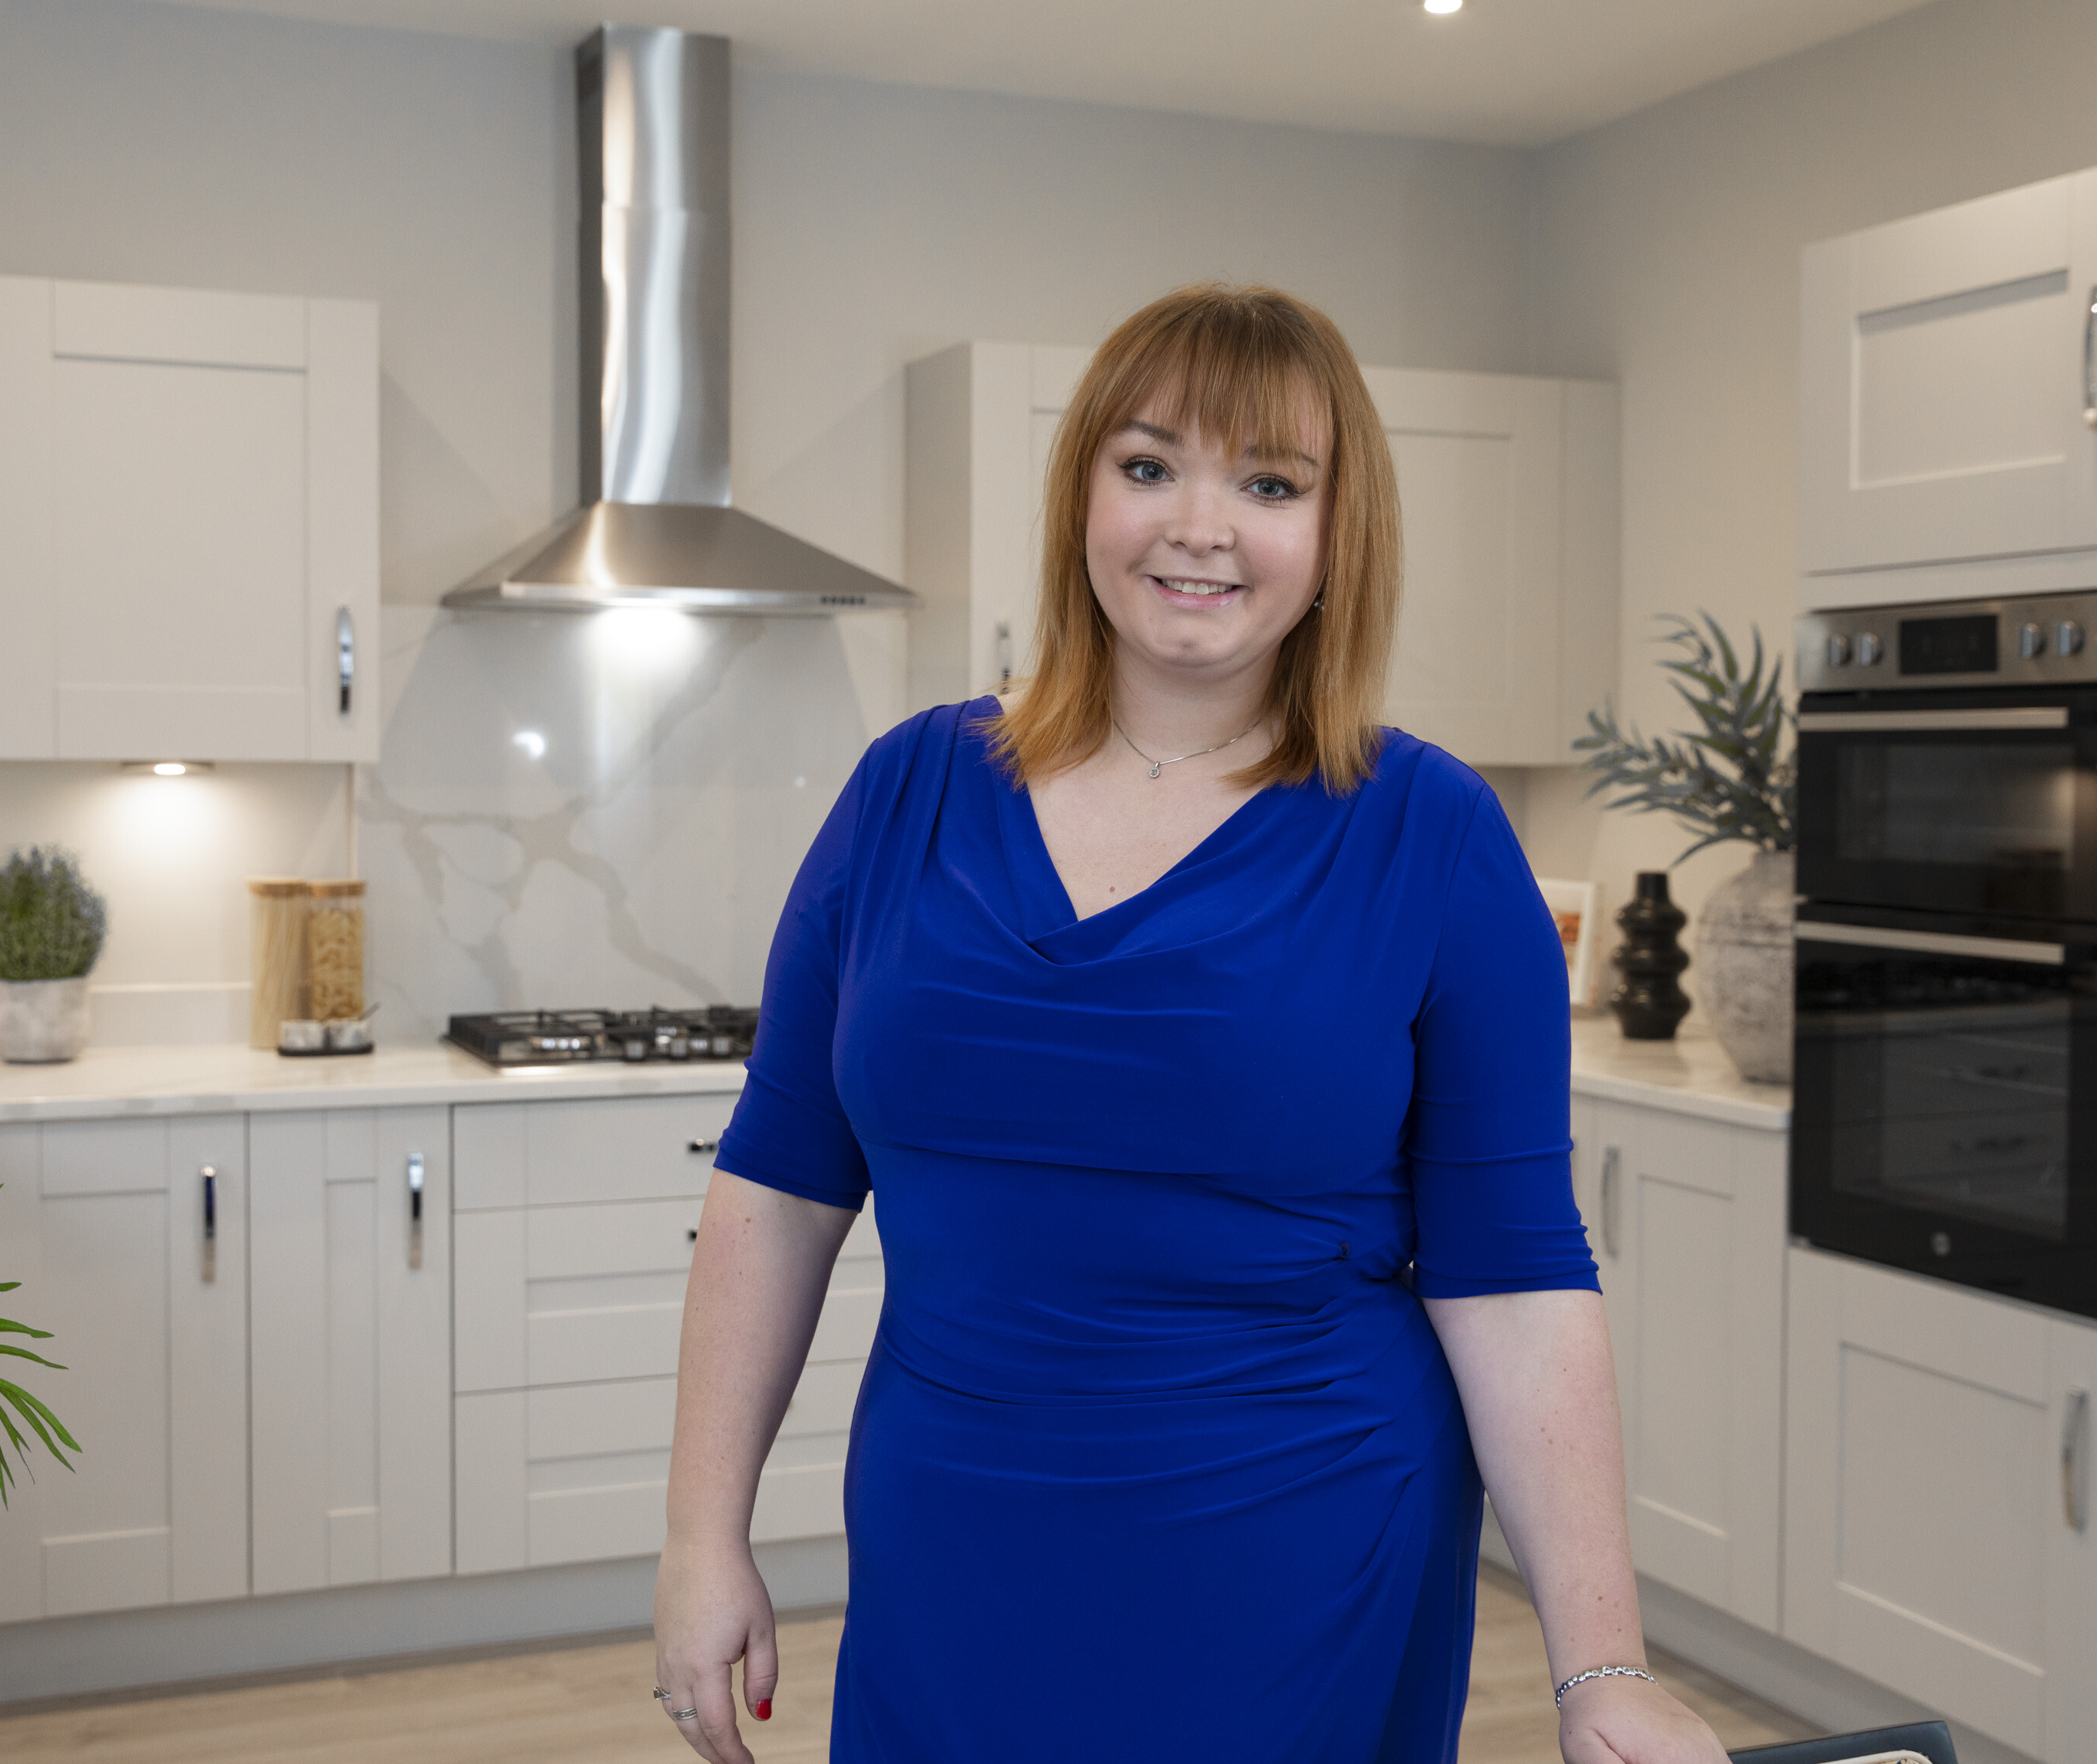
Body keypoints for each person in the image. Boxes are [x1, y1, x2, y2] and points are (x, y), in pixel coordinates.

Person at [650, 283, 1731, 1764]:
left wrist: (1599, 1666)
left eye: (1269, 482)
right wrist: (701, 1534)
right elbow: (778, 1184)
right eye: (1148, 464)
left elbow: (1516, 1275)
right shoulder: (907, 791)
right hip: (951, 1523)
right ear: (1080, 495)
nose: (1198, 524)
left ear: (1334, 535)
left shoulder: (1428, 833)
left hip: (1300, 1534)